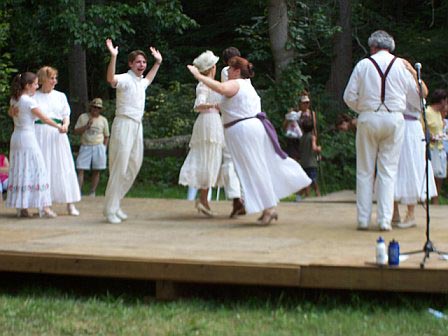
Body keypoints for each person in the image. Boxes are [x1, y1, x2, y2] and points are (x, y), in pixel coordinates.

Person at [187, 56, 311, 224]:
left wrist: (199, 76)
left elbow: (222, 88)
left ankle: (269, 208)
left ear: (237, 71)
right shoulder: (245, 86)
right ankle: (268, 207)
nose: (228, 71)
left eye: (230, 69)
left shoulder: (237, 83)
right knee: (253, 169)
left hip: (245, 131)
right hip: (246, 130)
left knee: (254, 169)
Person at [343, 30, 420, 231]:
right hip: (395, 118)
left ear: (372, 47)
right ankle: (385, 220)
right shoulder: (402, 66)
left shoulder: (363, 65)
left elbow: (348, 96)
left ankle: (363, 219)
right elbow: (416, 98)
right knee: (388, 171)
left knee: (365, 170)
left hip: (368, 118)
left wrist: (364, 108)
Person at [103, 39, 162, 224]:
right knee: (119, 166)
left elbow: (149, 79)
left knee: (134, 164)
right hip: (123, 124)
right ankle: (110, 209)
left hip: (137, 125)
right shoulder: (125, 79)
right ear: (130, 64)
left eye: (144, 62)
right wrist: (113, 56)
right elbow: (111, 79)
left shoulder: (140, 82)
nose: (142, 65)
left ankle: (115, 203)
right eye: (138, 62)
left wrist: (157, 62)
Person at [6, 72, 61, 218]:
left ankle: (22, 207)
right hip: (27, 137)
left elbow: (11, 112)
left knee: (21, 169)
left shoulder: (14, 99)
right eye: (35, 84)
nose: (37, 87)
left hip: (16, 136)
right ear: (27, 86)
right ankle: (45, 207)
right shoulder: (28, 101)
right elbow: (45, 118)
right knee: (38, 168)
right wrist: (59, 127)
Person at [179, 51, 224, 216]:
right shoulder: (204, 85)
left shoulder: (212, 83)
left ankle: (204, 199)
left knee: (212, 159)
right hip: (207, 122)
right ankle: (203, 199)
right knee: (207, 157)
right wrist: (214, 105)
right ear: (212, 67)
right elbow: (199, 104)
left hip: (214, 122)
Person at [392, 61, 437, 228]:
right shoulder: (394, 84)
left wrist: (412, 71)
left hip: (410, 128)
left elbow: (424, 92)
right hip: (398, 125)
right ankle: (394, 211)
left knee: (410, 167)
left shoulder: (412, 84)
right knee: (394, 167)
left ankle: (410, 213)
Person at [34, 66, 81, 216]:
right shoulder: (33, 96)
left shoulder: (60, 96)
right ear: (43, 80)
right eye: (51, 78)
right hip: (39, 133)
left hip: (58, 133)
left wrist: (65, 125)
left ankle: (70, 203)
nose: (54, 81)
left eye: (55, 78)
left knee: (63, 165)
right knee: (43, 167)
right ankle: (44, 204)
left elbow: (65, 113)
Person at [220, 46, 246, 218]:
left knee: (230, 161)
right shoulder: (244, 72)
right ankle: (242, 197)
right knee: (240, 161)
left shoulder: (228, 72)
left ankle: (238, 197)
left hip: (233, 119)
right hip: (243, 119)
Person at [74, 98, 110, 197]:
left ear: (100, 109)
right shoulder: (83, 117)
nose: (96, 109)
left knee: (96, 170)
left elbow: (106, 135)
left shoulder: (103, 120)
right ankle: (78, 192)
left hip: (98, 146)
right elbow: (76, 131)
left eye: (98, 108)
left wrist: (104, 148)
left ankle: (92, 192)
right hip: (85, 145)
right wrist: (86, 127)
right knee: (80, 168)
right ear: (90, 107)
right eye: (94, 107)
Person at [424, 89, 448, 205]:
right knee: (431, 174)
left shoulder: (439, 113)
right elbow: (424, 126)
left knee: (440, 175)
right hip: (431, 147)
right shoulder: (427, 111)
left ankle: (436, 200)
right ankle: (426, 198)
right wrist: (430, 136)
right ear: (441, 101)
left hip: (440, 147)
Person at [298, 115, 322, 198]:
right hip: (311, 162)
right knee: (313, 179)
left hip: (303, 162)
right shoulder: (312, 137)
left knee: (305, 180)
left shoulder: (301, 138)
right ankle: (318, 194)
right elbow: (314, 148)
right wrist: (318, 148)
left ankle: (304, 196)